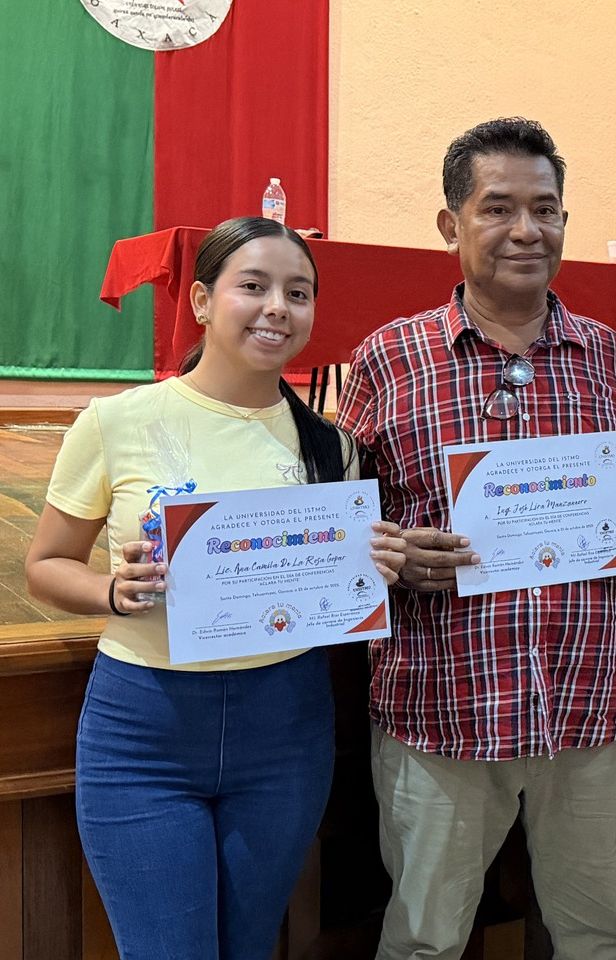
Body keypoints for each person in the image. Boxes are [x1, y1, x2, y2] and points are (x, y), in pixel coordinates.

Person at [24, 216, 407, 960]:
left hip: (285, 725)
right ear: (201, 300)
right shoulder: (116, 421)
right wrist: (112, 591)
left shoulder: (333, 447)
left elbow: (334, 591)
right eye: (253, 286)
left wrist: (373, 566)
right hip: (146, 728)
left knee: (248, 946)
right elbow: (46, 565)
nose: (277, 308)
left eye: (298, 293)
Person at [336, 117, 616, 960]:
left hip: (589, 704)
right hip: (442, 711)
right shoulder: (388, 358)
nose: (527, 230)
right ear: (450, 224)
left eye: (545, 209)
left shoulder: (606, 356)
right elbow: (337, 528)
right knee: (423, 943)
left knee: (598, 939)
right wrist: (389, 556)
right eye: (498, 209)